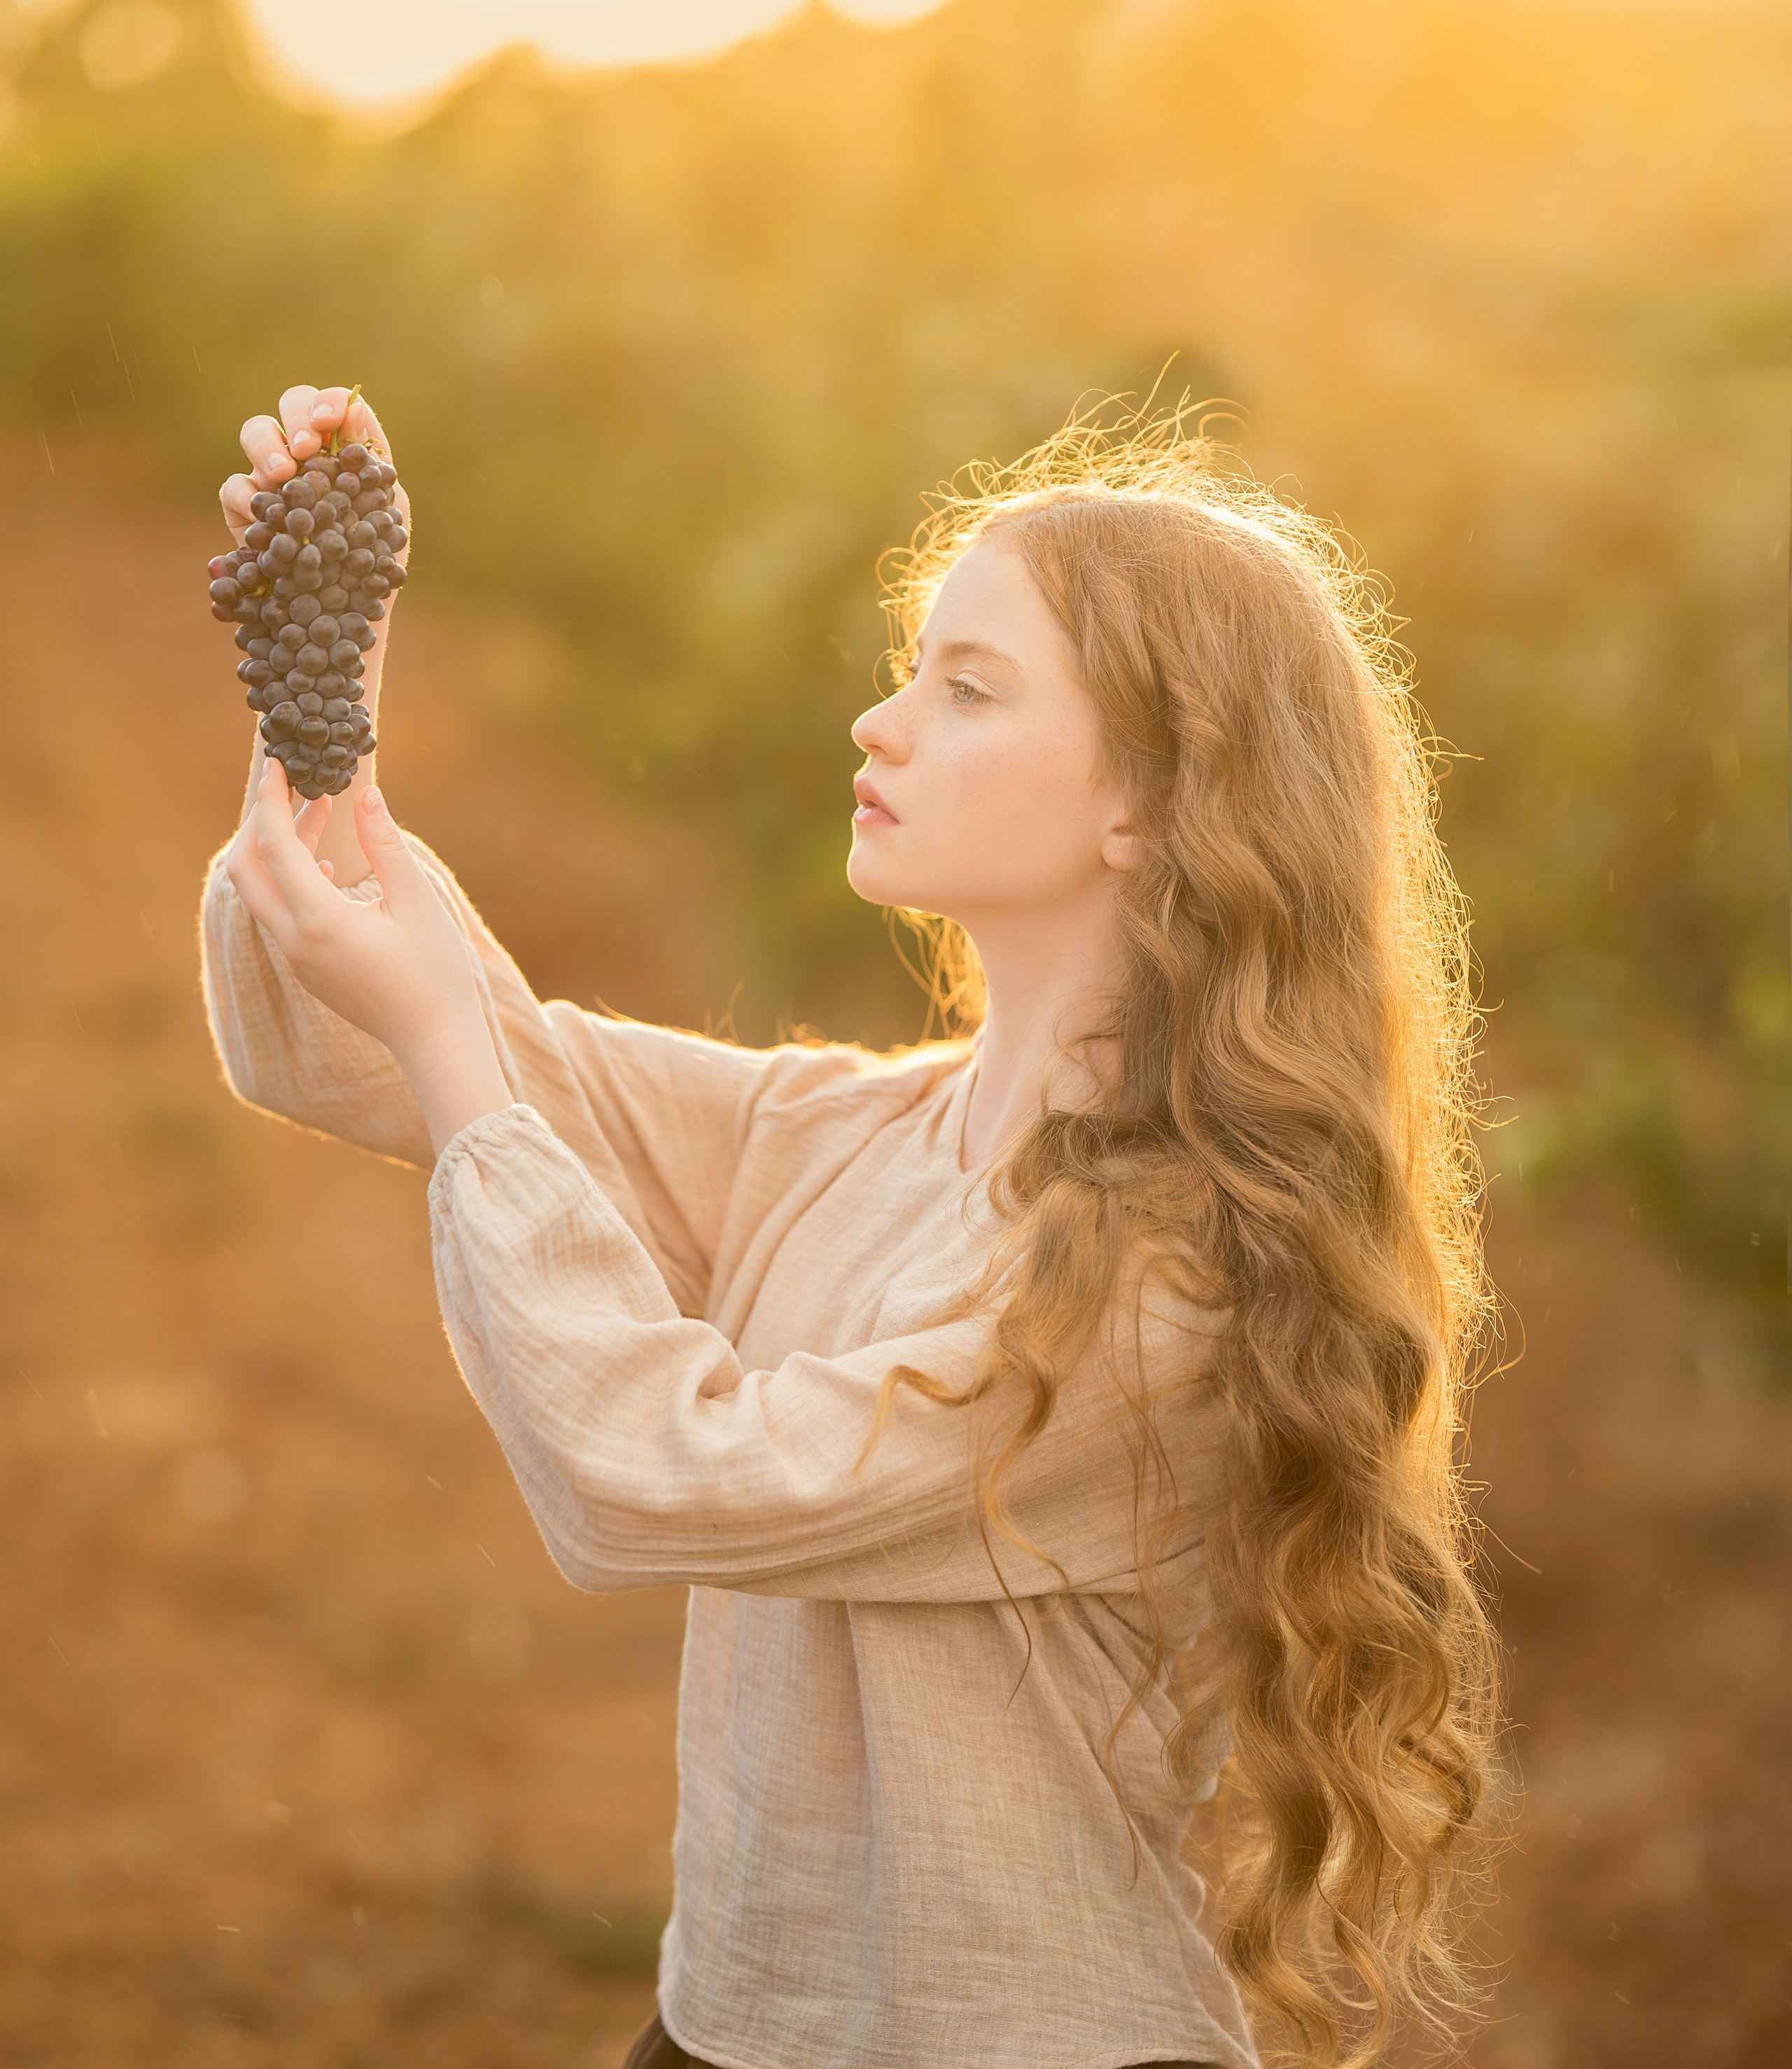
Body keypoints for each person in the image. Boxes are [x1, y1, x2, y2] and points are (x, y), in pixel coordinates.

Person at [202, 384, 1499, 2069]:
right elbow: (332, 1041)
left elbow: (648, 1471)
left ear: (1153, 804)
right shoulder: (845, 1129)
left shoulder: (1169, 1278)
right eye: (912, 672)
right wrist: (318, 665)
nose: (877, 726)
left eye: (964, 690)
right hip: (733, 2025)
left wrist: (454, 1040)